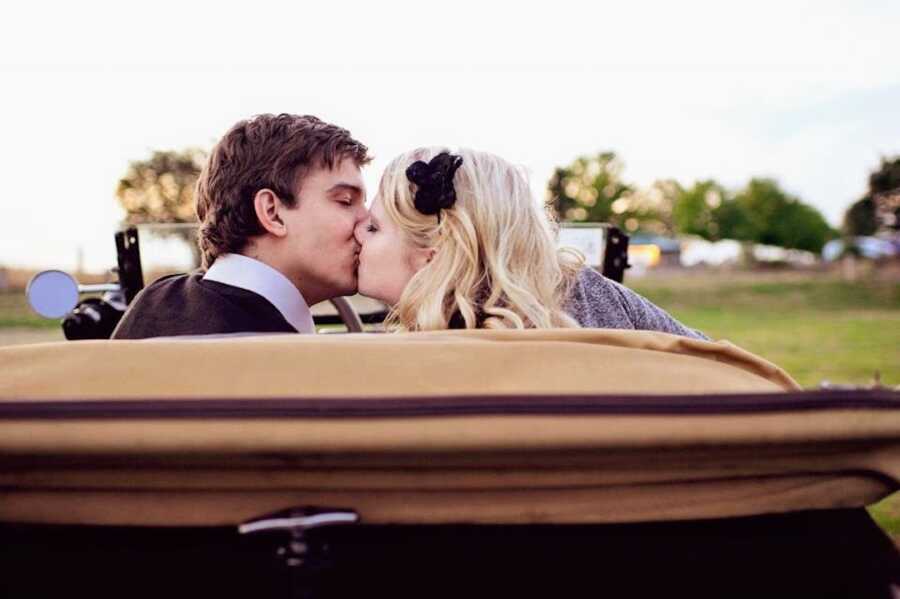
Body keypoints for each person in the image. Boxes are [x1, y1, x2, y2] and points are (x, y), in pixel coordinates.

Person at [354, 147, 706, 339]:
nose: (356, 232)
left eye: (373, 228)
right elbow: (719, 360)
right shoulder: (591, 294)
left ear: (433, 258)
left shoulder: (402, 362)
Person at [112, 113, 370, 339]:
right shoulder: (277, 354)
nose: (367, 222)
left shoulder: (153, 301)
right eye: (345, 201)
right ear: (272, 213)